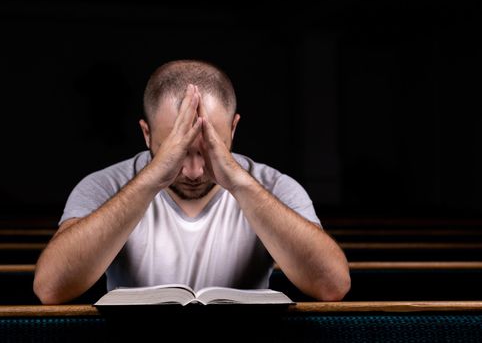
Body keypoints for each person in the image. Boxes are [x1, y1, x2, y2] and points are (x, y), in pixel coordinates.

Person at [33, 59, 351, 304]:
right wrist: (152, 178)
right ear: (146, 134)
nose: (195, 171)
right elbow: (51, 288)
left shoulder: (274, 185)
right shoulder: (103, 185)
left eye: (209, 149)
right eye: (177, 151)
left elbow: (332, 285)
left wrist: (239, 182)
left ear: (233, 130)